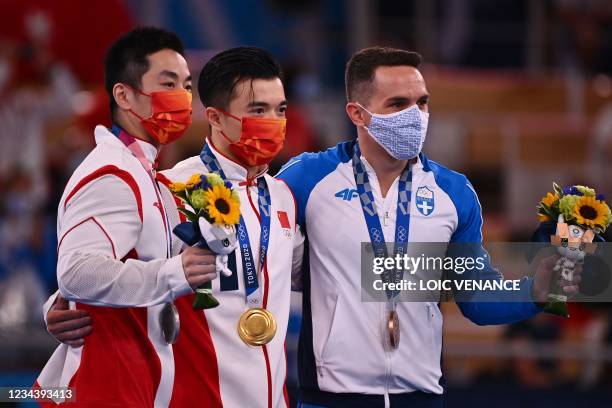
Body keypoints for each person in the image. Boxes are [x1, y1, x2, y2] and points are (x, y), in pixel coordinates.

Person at [276, 46, 581, 407]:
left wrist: (539, 290)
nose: (415, 115)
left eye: (422, 102)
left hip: (420, 397)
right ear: (357, 113)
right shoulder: (309, 178)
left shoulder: (453, 192)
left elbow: (476, 296)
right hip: (329, 398)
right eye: (398, 103)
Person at [45, 46, 304, 408]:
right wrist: (63, 305)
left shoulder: (283, 197)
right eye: (258, 110)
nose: (273, 122)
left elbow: (315, 273)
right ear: (215, 117)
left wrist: (403, 280)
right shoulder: (170, 188)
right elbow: (105, 267)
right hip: (192, 397)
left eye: (280, 110)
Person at [35, 27, 216, 406]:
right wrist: (68, 295)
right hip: (111, 387)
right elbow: (80, 270)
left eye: (187, 86)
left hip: (148, 382)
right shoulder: (124, 174)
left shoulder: (147, 174)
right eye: (169, 84)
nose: (183, 98)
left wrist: (64, 299)